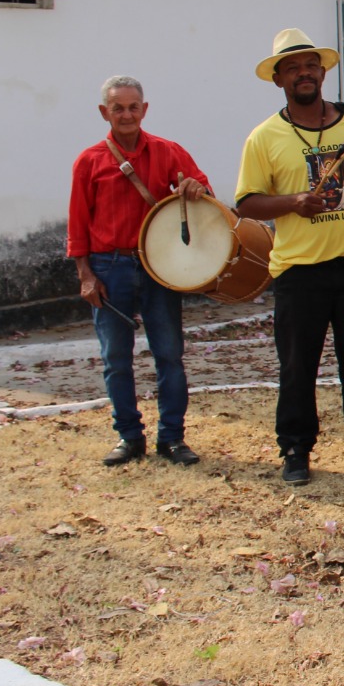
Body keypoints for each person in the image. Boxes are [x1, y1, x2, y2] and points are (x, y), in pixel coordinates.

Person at [236, 28, 344, 486]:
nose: (304, 73)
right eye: (293, 67)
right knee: (298, 366)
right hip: (299, 271)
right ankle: (295, 448)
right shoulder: (265, 137)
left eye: (311, 64)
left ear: (323, 70)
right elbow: (247, 203)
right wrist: (293, 202)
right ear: (279, 80)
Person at [67, 76, 211, 467]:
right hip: (107, 268)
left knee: (169, 355)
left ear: (144, 110)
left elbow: (202, 187)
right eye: (118, 108)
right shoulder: (89, 161)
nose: (127, 114)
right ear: (104, 113)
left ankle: (172, 438)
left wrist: (195, 189)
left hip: (158, 267)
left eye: (133, 107)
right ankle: (129, 437)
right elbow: (78, 225)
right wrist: (85, 275)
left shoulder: (168, 151)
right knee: (116, 358)